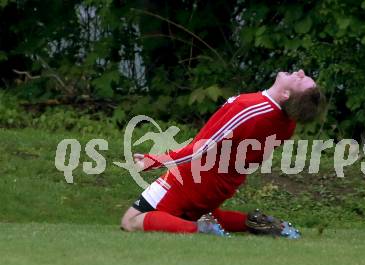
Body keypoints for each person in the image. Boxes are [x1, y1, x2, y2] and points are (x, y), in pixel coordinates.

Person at [120, 69, 325, 237]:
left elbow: (201, 149)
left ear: (286, 95)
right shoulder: (287, 125)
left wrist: (154, 160)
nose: (300, 71)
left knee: (130, 221)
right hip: (221, 187)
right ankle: (252, 223)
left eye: (301, 80)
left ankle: (200, 230)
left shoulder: (248, 108)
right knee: (192, 214)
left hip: (192, 180)